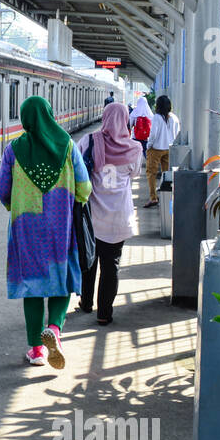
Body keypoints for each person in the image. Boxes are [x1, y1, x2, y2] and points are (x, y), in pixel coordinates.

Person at [0, 96, 91, 368]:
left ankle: (37, 350)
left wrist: (16, 205)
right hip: (61, 227)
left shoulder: (13, 150)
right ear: (49, 115)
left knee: (32, 285)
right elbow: (84, 188)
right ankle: (56, 330)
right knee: (60, 278)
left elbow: (3, 191)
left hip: (26, 228)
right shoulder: (68, 146)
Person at [79, 102, 142, 325]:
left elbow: (78, 169)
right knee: (111, 265)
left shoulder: (88, 141)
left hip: (93, 216)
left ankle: (86, 302)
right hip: (118, 218)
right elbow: (134, 174)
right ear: (126, 120)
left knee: (89, 262)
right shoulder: (134, 149)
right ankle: (104, 314)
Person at [143, 95, 180, 208]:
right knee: (167, 174)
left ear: (158, 106)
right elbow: (178, 133)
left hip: (156, 149)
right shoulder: (174, 118)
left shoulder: (157, 118)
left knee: (151, 173)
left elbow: (153, 134)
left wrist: (148, 145)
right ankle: (167, 197)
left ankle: (153, 198)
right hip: (169, 149)